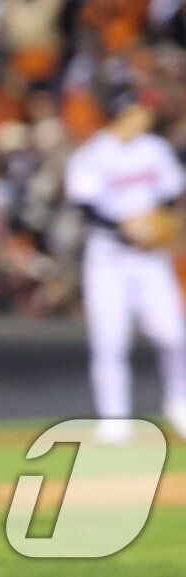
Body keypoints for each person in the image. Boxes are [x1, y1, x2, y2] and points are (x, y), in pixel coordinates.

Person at [64, 87, 186, 444]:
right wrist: (125, 229)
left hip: (150, 260)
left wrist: (157, 223)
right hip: (108, 261)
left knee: (174, 334)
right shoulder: (93, 156)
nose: (144, 116)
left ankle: (180, 403)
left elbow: (169, 192)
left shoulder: (154, 149)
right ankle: (114, 419)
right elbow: (86, 208)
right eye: (137, 110)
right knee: (110, 341)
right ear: (120, 112)